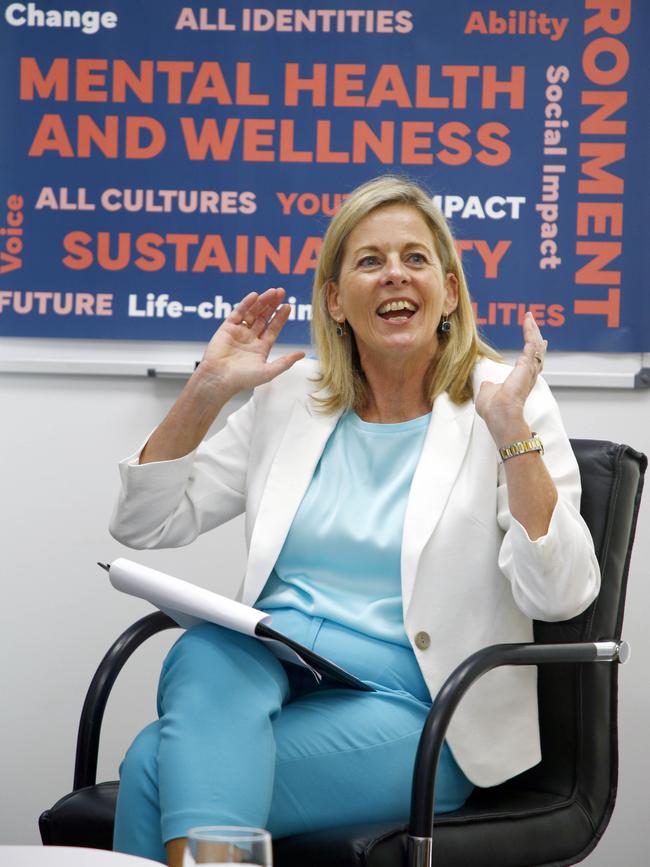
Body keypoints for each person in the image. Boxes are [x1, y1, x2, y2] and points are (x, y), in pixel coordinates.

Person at [109, 175, 600, 866]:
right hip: (276, 665)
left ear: (450, 291)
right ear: (335, 300)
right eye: (369, 261)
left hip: (423, 705)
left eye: (415, 258)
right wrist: (206, 390)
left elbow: (561, 595)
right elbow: (144, 522)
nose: (394, 273)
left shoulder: (503, 403)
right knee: (208, 648)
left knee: (154, 764)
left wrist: (514, 440)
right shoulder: (290, 398)